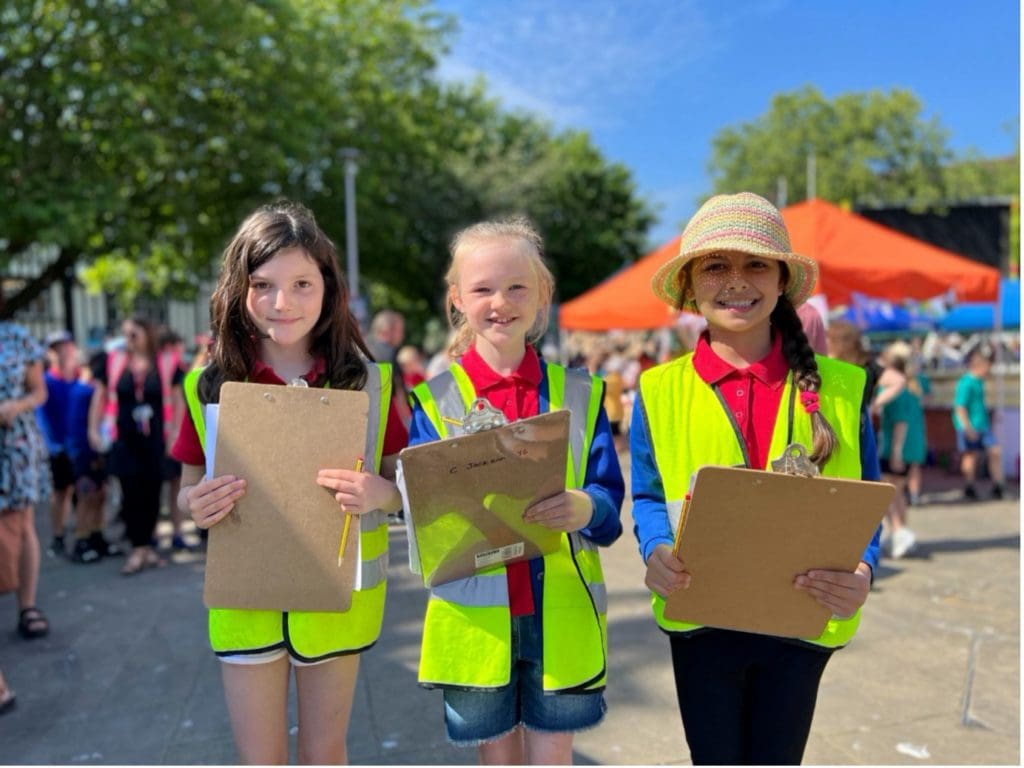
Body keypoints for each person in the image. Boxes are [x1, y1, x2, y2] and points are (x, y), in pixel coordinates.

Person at [631, 192, 882, 765]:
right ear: (689, 285)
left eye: (756, 265)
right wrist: (654, 547)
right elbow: (648, 494)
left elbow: (867, 501)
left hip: (801, 617)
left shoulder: (843, 388)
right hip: (702, 615)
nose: (737, 281)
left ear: (782, 280)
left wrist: (865, 569)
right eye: (716, 266)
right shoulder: (657, 390)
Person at [172, 200, 406, 765]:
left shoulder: (368, 384)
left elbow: (404, 482)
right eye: (263, 285)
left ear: (328, 288)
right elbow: (185, 489)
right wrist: (193, 504)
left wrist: (382, 494)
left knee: (325, 752)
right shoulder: (208, 385)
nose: (282, 302)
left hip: (336, 605)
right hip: (245, 602)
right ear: (238, 290)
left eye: (302, 283)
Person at [406, 216, 624, 764]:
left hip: (562, 617)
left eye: (516, 286)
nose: (500, 302)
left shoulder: (581, 393)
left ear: (543, 293)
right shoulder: (433, 401)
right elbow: (422, 515)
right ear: (457, 299)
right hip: (476, 623)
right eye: (482, 289)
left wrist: (584, 507)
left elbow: (608, 501)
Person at [88, 316, 171, 575]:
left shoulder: (164, 362)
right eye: (125, 335)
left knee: (153, 493)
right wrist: (93, 429)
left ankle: (146, 546)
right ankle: (138, 547)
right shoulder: (114, 361)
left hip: (155, 440)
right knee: (130, 493)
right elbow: (100, 396)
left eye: (133, 334)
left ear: (147, 333)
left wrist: (176, 435)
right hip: (124, 440)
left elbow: (177, 400)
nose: (129, 339)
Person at [0, 306, 52, 640]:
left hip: (14, 445)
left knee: (22, 522)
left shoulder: (16, 338)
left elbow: (39, 391)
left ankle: (27, 605)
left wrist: (14, 406)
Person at [876, 342, 923, 559]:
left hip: (896, 447)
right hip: (912, 446)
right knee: (898, 491)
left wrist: (896, 452)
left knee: (886, 492)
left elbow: (900, 423)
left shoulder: (896, 390)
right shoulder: (913, 387)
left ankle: (898, 531)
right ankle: (900, 530)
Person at [36, 330, 79, 557]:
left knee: (83, 491)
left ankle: (83, 532)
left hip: (79, 445)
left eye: (65, 346)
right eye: (56, 348)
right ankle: (58, 535)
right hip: (58, 447)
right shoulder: (46, 381)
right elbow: (42, 418)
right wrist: (52, 445)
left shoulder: (80, 377)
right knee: (60, 492)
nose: (62, 352)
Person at [952, 346, 1005, 500]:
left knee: (995, 452)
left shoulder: (980, 382)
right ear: (979, 365)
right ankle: (969, 487)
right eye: (988, 365)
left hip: (983, 425)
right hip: (970, 426)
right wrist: (967, 428)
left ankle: (998, 486)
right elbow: (960, 407)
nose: (989, 369)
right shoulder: (966, 383)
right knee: (971, 456)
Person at [156, 327, 191, 552]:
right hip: (167, 433)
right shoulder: (171, 364)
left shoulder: (158, 364)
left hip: (163, 432)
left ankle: (170, 532)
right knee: (173, 485)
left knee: (171, 485)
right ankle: (176, 532)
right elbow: (179, 402)